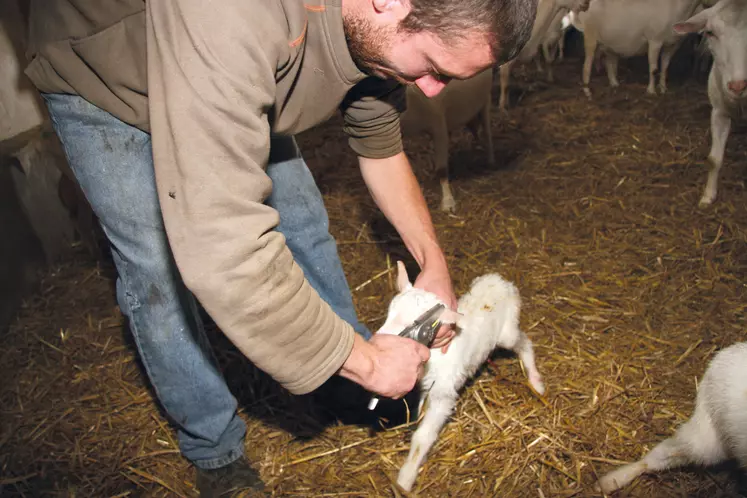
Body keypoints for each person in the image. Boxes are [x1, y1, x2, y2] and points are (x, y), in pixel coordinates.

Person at [23, 0, 537, 495]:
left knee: (304, 222)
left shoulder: (375, 29)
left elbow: (378, 141)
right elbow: (222, 248)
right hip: (106, 78)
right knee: (158, 269)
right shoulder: (235, 17)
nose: (430, 90)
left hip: (233, 68)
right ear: (389, 2)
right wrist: (373, 364)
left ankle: (340, 382)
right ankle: (215, 449)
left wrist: (434, 262)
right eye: (432, 67)